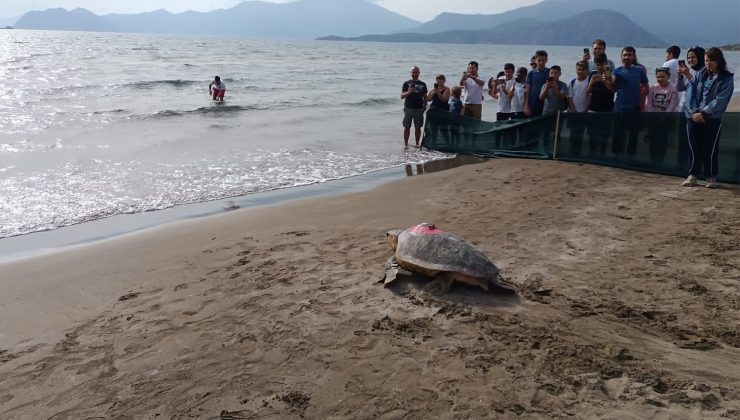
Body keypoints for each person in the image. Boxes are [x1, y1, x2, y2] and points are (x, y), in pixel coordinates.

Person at [681, 47, 734, 188]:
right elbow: (690, 92)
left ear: (718, 61)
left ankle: (710, 176)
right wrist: (693, 112)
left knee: (709, 148)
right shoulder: (701, 75)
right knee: (693, 147)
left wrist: (703, 113)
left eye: (711, 60)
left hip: (712, 118)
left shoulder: (726, 78)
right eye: (705, 60)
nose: (707, 63)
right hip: (693, 116)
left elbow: (720, 99)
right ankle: (692, 175)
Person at [611, 46, 649, 157]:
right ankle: (616, 155)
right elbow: (611, 82)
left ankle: (631, 156)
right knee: (617, 133)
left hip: (634, 107)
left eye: (629, 55)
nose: (626, 57)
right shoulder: (617, 71)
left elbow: (646, 87)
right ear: (621, 57)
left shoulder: (639, 70)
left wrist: (641, 99)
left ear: (633, 56)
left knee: (633, 134)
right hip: (619, 106)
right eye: (624, 55)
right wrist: (607, 79)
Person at [645, 67, 679, 165]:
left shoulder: (672, 89)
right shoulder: (653, 88)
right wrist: (651, 115)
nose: (660, 79)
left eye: (663, 76)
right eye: (658, 77)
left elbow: (672, 105)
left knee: (662, 141)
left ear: (668, 77)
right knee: (653, 141)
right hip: (653, 119)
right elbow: (649, 103)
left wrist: (664, 117)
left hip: (666, 120)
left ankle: (660, 161)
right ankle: (652, 160)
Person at [587, 53, 615, 155]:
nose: (599, 67)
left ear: (606, 64)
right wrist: (592, 82)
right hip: (593, 107)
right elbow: (588, 91)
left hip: (607, 108)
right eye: (597, 65)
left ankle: (602, 152)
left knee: (605, 133)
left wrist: (604, 81)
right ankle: (592, 152)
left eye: (601, 64)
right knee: (592, 133)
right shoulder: (593, 75)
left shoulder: (610, 74)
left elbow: (612, 91)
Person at [566, 61, 591, 155]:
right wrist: (573, 110)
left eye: (582, 70)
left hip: (585, 112)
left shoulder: (589, 81)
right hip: (574, 112)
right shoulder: (572, 82)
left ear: (586, 70)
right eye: (578, 70)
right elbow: (569, 98)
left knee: (581, 132)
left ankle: (579, 152)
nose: (580, 72)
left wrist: (586, 109)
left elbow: (590, 97)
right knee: (573, 133)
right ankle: (572, 151)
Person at [400, 66, 428, 147]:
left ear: (419, 73)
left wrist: (424, 107)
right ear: (411, 73)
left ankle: (417, 144)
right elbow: (402, 96)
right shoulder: (406, 83)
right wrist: (409, 91)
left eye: (416, 72)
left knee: (418, 127)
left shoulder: (423, 84)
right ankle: (406, 145)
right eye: (413, 72)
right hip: (408, 108)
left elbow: (425, 97)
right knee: (406, 127)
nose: (415, 74)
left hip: (419, 109)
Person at [425, 74, 451, 145]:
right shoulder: (433, 90)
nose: (439, 82)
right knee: (434, 129)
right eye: (438, 80)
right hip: (434, 112)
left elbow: (444, 99)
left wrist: (437, 92)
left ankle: (448, 144)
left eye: (441, 80)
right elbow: (427, 99)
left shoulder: (447, 89)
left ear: (444, 81)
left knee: (444, 130)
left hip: (443, 112)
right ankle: (433, 144)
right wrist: (432, 93)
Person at [524, 50, 549, 117]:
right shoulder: (531, 73)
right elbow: (527, 90)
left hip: (547, 105)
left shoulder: (550, 72)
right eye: (539, 60)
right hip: (533, 104)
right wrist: (526, 105)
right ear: (535, 60)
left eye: (543, 60)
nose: (541, 62)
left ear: (546, 60)